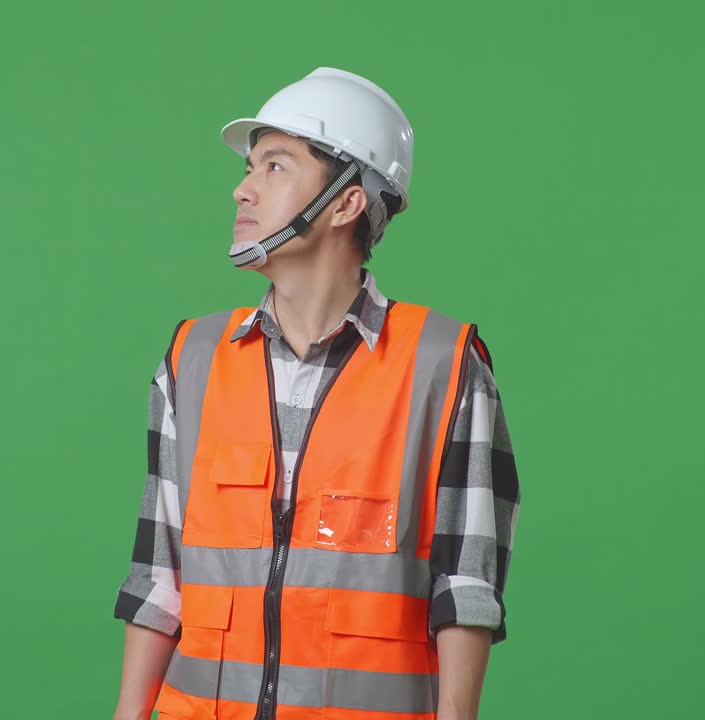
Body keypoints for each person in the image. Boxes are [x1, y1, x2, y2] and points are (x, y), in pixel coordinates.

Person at [112, 67, 521, 720]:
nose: (243, 189)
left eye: (275, 166)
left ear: (345, 203)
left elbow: (466, 589)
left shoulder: (443, 366)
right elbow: (159, 580)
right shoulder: (192, 359)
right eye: (250, 168)